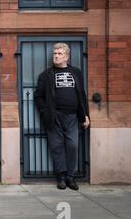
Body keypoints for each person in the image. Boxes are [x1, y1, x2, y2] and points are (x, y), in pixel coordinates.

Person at [34, 43, 90, 190]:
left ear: (67, 56)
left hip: (72, 116)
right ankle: (61, 177)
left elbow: (82, 95)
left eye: (59, 53)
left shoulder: (76, 72)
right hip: (54, 117)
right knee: (56, 147)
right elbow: (38, 97)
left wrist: (85, 115)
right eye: (55, 53)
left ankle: (71, 177)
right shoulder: (46, 75)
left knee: (72, 145)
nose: (56, 56)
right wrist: (45, 111)